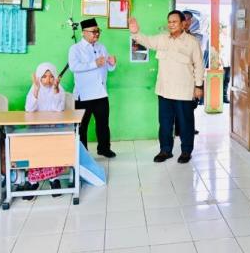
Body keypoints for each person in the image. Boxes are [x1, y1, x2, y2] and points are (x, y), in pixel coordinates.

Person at [129, 10, 204, 163]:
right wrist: (136, 32)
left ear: (183, 24)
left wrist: (199, 86)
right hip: (164, 90)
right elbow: (147, 41)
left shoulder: (192, 42)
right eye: (169, 22)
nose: (171, 24)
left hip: (184, 91)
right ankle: (165, 150)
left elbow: (199, 66)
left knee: (185, 124)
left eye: (174, 22)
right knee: (165, 124)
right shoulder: (162, 39)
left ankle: (186, 151)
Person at [69, 18, 117, 158]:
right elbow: (74, 67)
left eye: (98, 31)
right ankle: (83, 153)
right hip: (83, 95)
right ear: (84, 32)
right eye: (93, 31)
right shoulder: (75, 49)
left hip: (101, 93)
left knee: (103, 123)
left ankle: (104, 148)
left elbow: (108, 68)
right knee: (82, 126)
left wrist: (112, 63)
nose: (96, 34)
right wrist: (94, 63)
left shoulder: (101, 47)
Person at [21, 62, 67, 199]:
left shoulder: (59, 89)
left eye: (51, 76)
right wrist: (36, 89)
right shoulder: (34, 88)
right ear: (39, 78)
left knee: (53, 147)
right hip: (37, 128)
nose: (48, 80)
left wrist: (56, 89)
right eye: (44, 77)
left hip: (54, 128)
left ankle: (54, 179)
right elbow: (29, 109)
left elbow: (58, 109)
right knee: (35, 148)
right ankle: (33, 181)